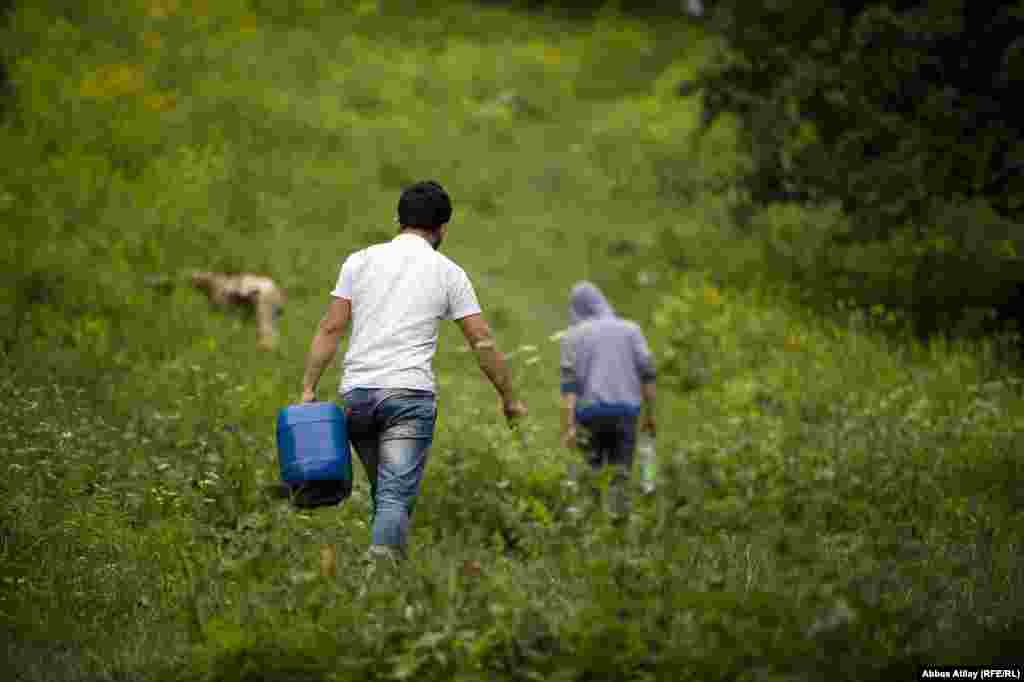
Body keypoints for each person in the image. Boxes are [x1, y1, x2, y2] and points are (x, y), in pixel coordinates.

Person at [299, 180, 528, 565]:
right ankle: (379, 580)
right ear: (443, 229)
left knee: (387, 497)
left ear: (398, 220)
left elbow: (330, 328)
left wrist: (308, 387)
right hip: (407, 398)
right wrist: (509, 398)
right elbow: (481, 340)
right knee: (394, 497)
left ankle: (388, 583)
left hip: (357, 396)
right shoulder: (448, 272)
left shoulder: (359, 261)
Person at [559, 281, 657, 519]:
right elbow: (648, 375)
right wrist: (650, 415)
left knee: (590, 479)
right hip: (625, 414)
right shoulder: (631, 330)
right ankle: (619, 532)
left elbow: (569, 390)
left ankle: (591, 530)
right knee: (620, 476)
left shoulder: (573, 337)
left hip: (589, 417)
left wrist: (568, 428)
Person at [188, 270, 285, 350]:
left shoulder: (219, 285)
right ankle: (266, 341)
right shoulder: (228, 282)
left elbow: (221, 304)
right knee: (263, 317)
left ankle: (266, 342)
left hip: (261, 291)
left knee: (263, 316)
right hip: (267, 289)